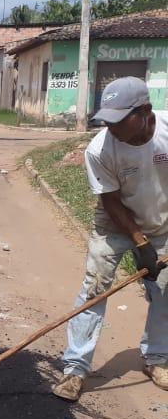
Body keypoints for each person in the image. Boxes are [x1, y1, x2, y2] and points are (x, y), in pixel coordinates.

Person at [55, 76, 168, 401]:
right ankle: (75, 369)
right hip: (114, 223)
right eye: (108, 119)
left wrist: (154, 238)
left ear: (145, 111)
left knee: (165, 292)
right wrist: (140, 242)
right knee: (94, 290)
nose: (111, 127)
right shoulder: (100, 149)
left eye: (119, 120)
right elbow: (111, 201)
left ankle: (157, 358)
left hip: (163, 222)